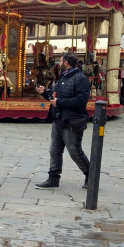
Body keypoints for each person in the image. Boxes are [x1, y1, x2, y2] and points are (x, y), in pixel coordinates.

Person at [35, 51, 91, 190]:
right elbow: (55, 98)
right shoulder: (62, 77)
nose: (59, 64)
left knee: (74, 151)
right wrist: (46, 92)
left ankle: (91, 176)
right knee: (54, 150)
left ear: (65, 63)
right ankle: (53, 178)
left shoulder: (81, 79)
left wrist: (60, 102)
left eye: (60, 61)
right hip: (59, 119)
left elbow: (81, 101)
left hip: (72, 121)